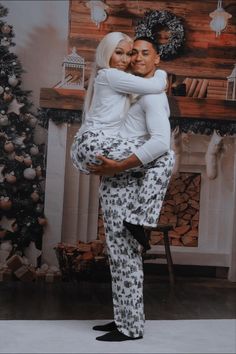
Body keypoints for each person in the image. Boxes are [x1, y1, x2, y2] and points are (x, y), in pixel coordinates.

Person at [88, 37, 174, 342]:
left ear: (157, 59)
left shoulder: (151, 96)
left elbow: (162, 145)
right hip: (115, 182)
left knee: (126, 257)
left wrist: (118, 167)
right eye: (133, 52)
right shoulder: (133, 90)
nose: (136, 56)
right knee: (118, 256)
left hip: (125, 182)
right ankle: (123, 318)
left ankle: (131, 328)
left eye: (144, 52)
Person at [71, 32, 168, 250]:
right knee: (165, 154)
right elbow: (155, 86)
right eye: (119, 53)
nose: (125, 60)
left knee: (154, 155)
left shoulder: (119, 81)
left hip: (98, 144)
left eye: (129, 54)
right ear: (107, 53)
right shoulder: (109, 75)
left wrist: (118, 167)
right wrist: (161, 72)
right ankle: (139, 217)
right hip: (96, 143)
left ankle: (131, 219)